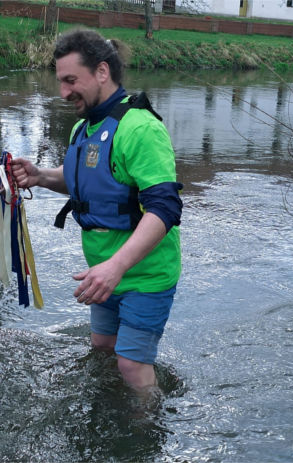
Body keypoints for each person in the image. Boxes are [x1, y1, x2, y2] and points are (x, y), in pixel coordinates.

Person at [11, 29, 182, 395]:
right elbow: (91, 183)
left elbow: (165, 209)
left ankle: (144, 436)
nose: (64, 92)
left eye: (71, 80)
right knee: (103, 351)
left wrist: (116, 267)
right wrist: (41, 176)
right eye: (60, 82)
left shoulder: (141, 128)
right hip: (102, 275)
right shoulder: (82, 128)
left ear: (102, 72)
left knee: (132, 366)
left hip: (144, 277)